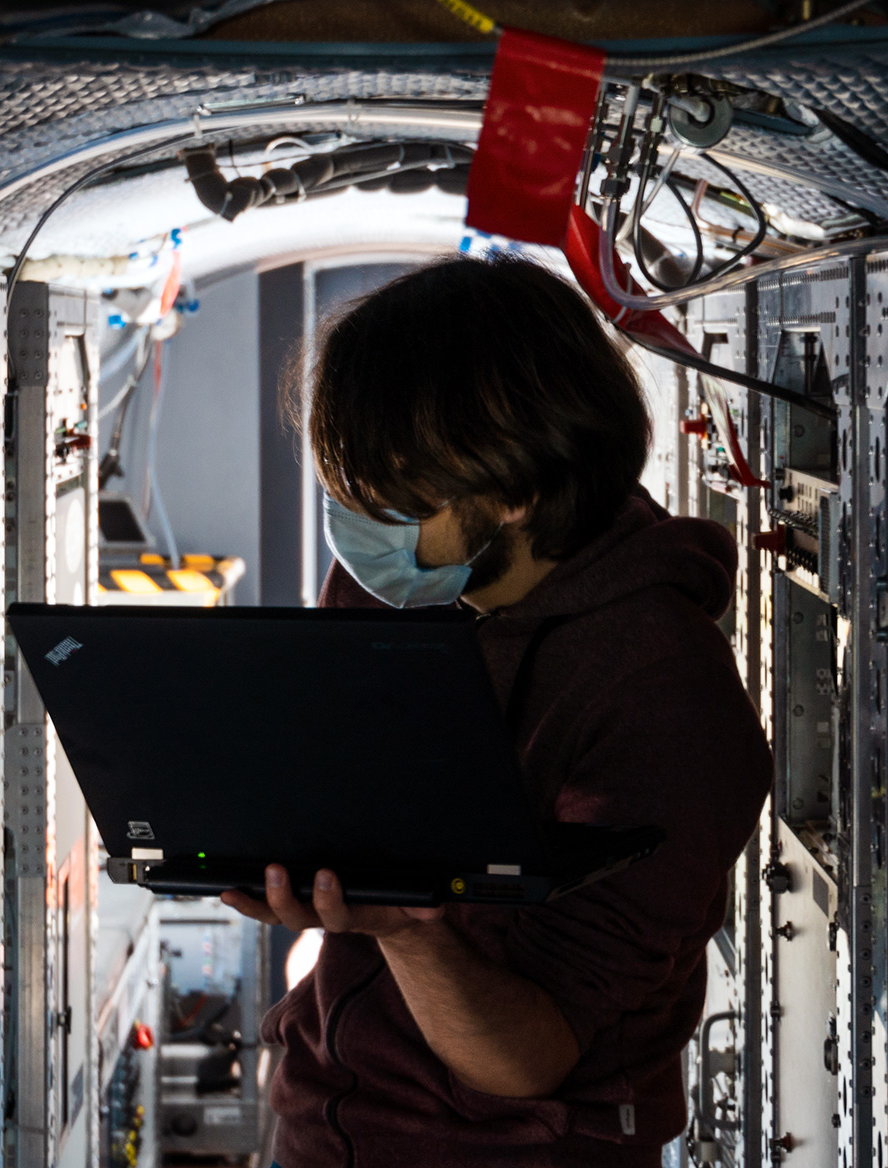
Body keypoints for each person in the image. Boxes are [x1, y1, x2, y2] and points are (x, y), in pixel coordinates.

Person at [220, 255, 770, 1167]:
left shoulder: (666, 703)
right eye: (349, 492)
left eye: (392, 498)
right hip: (325, 1122)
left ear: (512, 492)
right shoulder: (404, 592)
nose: (359, 526)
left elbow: (530, 1056)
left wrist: (405, 929)